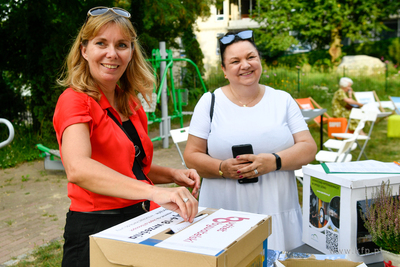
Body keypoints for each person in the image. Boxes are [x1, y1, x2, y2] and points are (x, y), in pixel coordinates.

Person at [54, 7, 200, 267]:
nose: (112, 53)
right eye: (102, 43)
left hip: (138, 222)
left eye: (122, 45)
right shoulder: (74, 100)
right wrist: (155, 192)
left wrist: (172, 175)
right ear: (84, 50)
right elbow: (78, 168)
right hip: (95, 228)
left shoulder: (130, 103)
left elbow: (130, 167)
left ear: (131, 53)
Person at [183, 30, 317, 251]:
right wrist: (221, 168)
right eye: (235, 61)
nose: (245, 65)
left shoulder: (282, 100)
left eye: (250, 57)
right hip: (223, 211)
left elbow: (308, 148)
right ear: (224, 70)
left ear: (260, 61)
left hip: (275, 207)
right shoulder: (210, 102)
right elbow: (191, 155)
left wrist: (275, 161)